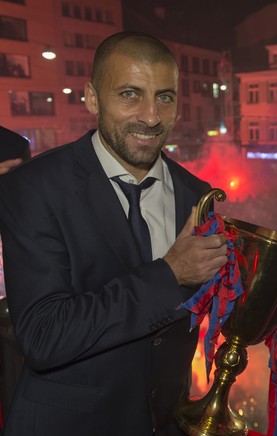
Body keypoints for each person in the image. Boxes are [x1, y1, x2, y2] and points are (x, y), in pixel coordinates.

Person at [0, 31, 228, 436]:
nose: (151, 116)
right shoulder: (34, 187)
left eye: (165, 97)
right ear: (92, 98)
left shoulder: (196, 195)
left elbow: (214, 306)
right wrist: (169, 273)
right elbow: (44, 337)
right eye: (129, 94)